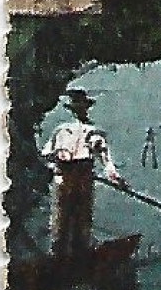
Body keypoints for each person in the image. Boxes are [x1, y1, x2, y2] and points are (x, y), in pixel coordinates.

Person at [40, 89, 125, 258]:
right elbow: (46, 154)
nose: (80, 110)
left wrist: (114, 176)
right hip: (63, 177)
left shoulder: (94, 132)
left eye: (83, 107)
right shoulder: (61, 130)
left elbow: (105, 158)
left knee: (82, 219)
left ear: (87, 108)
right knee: (61, 219)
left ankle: (80, 256)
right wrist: (55, 161)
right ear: (71, 109)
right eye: (76, 107)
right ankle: (58, 257)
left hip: (83, 178)